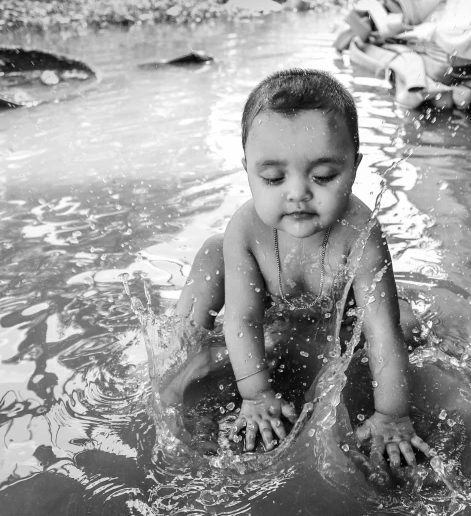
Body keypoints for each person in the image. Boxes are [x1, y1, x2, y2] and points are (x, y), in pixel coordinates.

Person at [170, 68, 431, 468]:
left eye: (324, 176)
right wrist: (255, 395)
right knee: (212, 254)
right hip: (276, 308)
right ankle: (185, 348)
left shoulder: (360, 232)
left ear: (355, 166)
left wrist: (392, 414)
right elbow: (242, 318)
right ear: (247, 170)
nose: (297, 194)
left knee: (408, 327)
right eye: (273, 178)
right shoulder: (245, 229)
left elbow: (381, 328)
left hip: (336, 314)